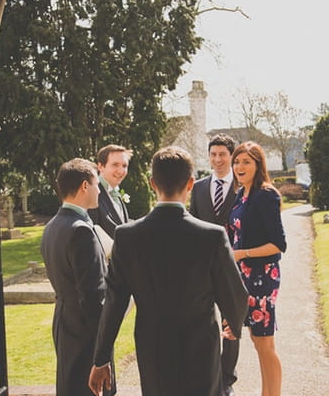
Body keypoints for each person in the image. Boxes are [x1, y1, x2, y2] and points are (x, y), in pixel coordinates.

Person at [88, 147, 248, 396]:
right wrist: (233, 323)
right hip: (201, 347)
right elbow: (236, 295)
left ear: (152, 183)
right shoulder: (212, 236)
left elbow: (114, 301)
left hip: (154, 347)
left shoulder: (127, 236)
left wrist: (101, 358)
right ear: (191, 183)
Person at [40, 158, 116, 396]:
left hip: (64, 324)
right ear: (85, 186)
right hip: (86, 333)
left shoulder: (53, 225)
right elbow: (94, 296)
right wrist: (102, 355)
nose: (99, 191)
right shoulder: (81, 230)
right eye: (96, 184)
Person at [227, 141, 287, 396]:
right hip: (244, 276)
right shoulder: (241, 194)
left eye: (246, 162)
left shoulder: (266, 194)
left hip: (262, 276)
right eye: (237, 162)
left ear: (258, 164)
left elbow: (278, 245)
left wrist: (242, 254)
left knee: (265, 343)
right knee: (256, 340)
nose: (239, 166)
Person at [189, 133, 239, 396]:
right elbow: (192, 224)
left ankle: (226, 378)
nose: (218, 159)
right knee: (204, 320)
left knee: (232, 321)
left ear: (231, 156)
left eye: (223, 154)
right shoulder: (198, 188)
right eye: (214, 154)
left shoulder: (242, 187)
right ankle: (207, 372)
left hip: (234, 267)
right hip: (204, 269)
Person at [88, 144, 133, 239]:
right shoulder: (91, 195)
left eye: (124, 166)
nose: (121, 171)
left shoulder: (116, 193)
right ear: (100, 166)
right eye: (115, 165)